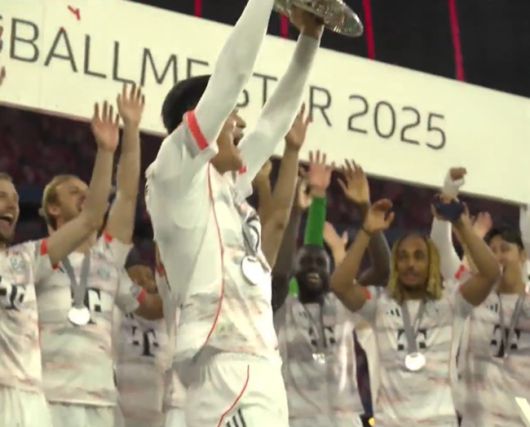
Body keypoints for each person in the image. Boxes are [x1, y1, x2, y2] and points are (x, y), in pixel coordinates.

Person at [145, 0, 323, 424]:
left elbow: (275, 122)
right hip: (223, 367)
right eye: (233, 119)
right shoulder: (174, 176)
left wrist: (310, 38)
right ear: (201, 120)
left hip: (265, 366)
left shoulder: (230, 187)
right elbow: (230, 77)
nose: (242, 127)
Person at [36, 89, 163, 427]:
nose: (86, 195)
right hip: (46, 399)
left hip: (102, 403)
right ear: (53, 208)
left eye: (87, 191)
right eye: (73, 192)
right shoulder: (38, 259)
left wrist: (130, 131)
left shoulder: (109, 262)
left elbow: (127, 195)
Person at [330, 183, 500, 427]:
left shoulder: (452, 301)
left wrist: (462, 225)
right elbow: (340, 285)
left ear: (432, 262)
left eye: (419, 256)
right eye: (403, 257)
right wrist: (366, 232)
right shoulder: (379, 303)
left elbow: (491, 274)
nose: (410, 264)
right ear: (396, 264)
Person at [0, 100, 118, 426]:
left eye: (14, 199)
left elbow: (91, 218)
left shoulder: (26, 259)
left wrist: (106, 152)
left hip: (30, 399)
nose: (11, 205)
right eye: (1, 196)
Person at [272, 157, 390, 427]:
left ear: (330, 274)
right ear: (295, 271)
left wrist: (366, 211)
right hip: (298, 420)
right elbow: (279, 274)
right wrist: (297, 211)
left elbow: (382, 272)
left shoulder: (342, 305)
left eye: (320, 263)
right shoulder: (283, 308)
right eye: (305, 262)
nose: (313, 267)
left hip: (345, 419)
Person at [430, 168, 530, 426]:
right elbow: (440, 249)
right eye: (491, 250)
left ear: (523, 256)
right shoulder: (473, 293)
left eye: (505, 249)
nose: (497, 256)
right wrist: (449, 191)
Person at [115, 249, 168, 427]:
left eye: (148, 276)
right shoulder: (116, 308)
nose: (142, 281)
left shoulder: (167, 312)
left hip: (157, 412)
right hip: (121, 411)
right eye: (136, 277)